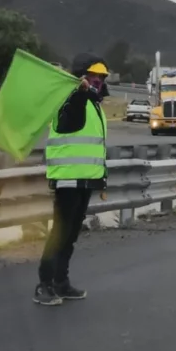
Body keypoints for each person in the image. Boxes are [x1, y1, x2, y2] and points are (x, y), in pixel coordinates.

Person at [33, 53, 110, 306]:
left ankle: (61, 283)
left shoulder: (94, 105)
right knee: (61, 232)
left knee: (71, 234)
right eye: (93, 75)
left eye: (101, 76)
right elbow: (69, 121)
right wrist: (79, 91)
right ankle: (44, 285)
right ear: (81, 77)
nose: (97, 80)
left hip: (86, 178)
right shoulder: (72, 100)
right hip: (67, 178)